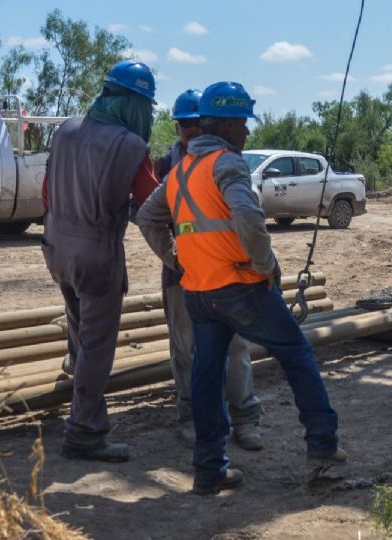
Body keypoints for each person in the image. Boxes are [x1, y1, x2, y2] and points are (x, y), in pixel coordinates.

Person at [135, 81, 345, 495]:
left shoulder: (180, 172)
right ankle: (322, 443)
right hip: (241, 286)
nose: (247, 133)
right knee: (297, 353)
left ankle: (210, 470)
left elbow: (146, 216)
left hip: (199, 292)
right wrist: (265, 264)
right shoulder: (227, 164)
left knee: (207, 374)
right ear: (228, 125)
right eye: (244, 124)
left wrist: (176, 259)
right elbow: (248, 217)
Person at [41, 60, 159, 463]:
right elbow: (152, 204)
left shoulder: (66, 131)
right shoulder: (130, 146)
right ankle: (85, 433)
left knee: (79, 334)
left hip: (56, 247)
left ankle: (80, 402)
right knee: (96, 346)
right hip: (97, 257)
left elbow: (46, 194)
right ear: (134, 103)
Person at [155, 89, 262, 451]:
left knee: (235, 348)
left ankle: (245, 417)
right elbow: (146, 217)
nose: (190, 131)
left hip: (228, 274)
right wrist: (173, 258)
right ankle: (192, 418)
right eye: (184, 125)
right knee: (186, 351)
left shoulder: (224, 163)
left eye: (195, 123)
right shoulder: (165, 168)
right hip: (182, 276)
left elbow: (246, 214)